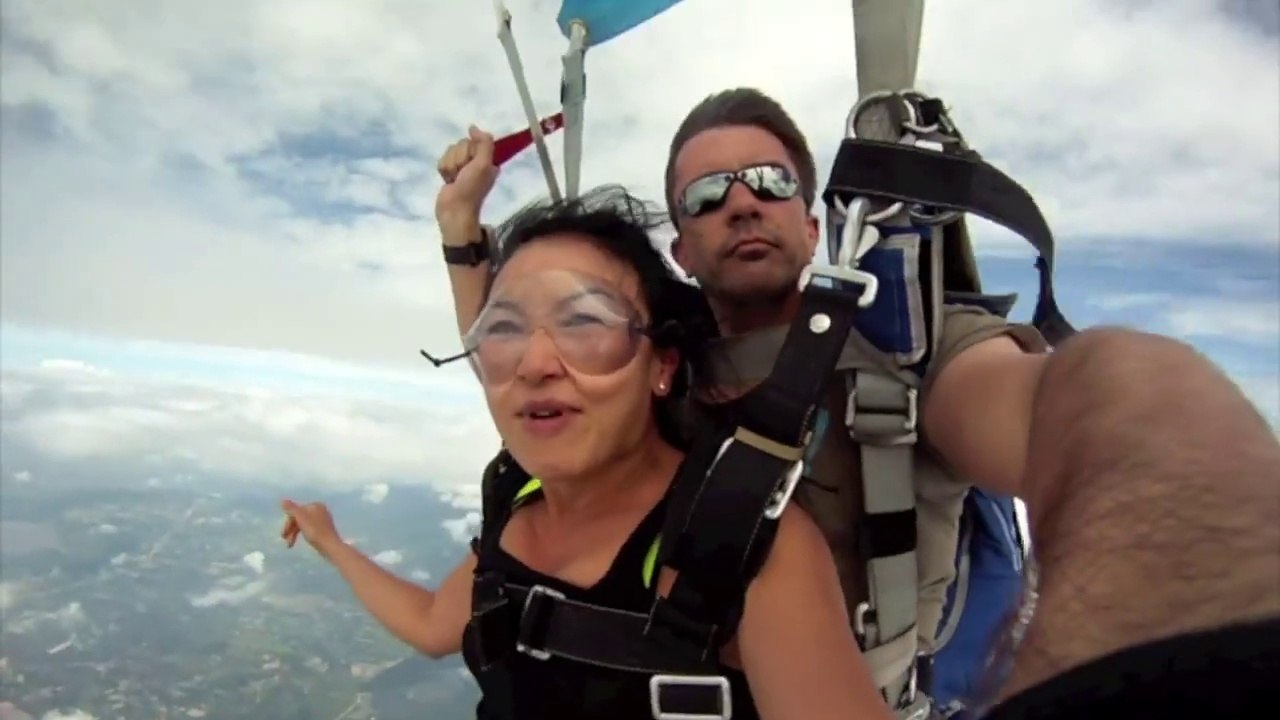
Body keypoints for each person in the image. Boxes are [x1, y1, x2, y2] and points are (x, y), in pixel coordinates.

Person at [432, 87, 1280, 719]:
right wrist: (462, 231)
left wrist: (1178, 653)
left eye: (769, 182)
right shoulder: (656, 359)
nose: (741, 202)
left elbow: (1097, 411)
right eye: (705, 195)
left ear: (812, 226)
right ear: (682, 249)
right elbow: (520, 364)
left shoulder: (909, 356)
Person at [280, 186, 897, 720]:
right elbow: (433, 626)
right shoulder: (516, 500)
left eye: (584, 322)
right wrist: (332, 543)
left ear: (661, 366)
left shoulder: (740, 549)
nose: (535, 364)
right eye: (505, 329)